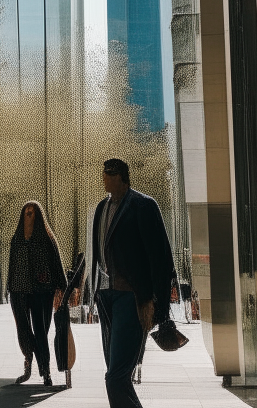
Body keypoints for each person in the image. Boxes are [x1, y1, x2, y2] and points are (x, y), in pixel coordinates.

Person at [89, 159, 175, 408]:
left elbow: (160, 257)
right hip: (106, 296)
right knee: (117, 373)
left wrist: (154, 303)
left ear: (122, 177)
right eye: (103, 173)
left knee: (116, 376)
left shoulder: (143, 205)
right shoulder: (101, 208)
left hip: (132, 297)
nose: (104, 177)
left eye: (110, 174)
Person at [7, 200, 67, 385]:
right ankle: (29, 362)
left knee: (41, 331)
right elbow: (11, 264)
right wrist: (8, 287)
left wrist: (62, 289)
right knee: (23, 331)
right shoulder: (16, 238)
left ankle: (45, 371)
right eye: (26, 213)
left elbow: (56, 263)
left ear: (38, 216)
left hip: (42, 291)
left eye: (32, 213)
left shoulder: (46, 238)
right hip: (19, 291)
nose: (28, 216)